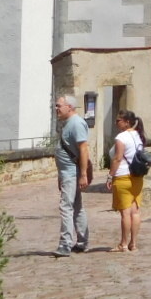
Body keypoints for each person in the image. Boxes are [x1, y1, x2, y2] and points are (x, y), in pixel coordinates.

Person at [52, 95, 93, 256]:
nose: (56, 109)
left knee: (66, 207)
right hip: (67, 173)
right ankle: (82, 242)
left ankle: (65, 244)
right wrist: (60, 175)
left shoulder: (76, 123)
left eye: (59, 106)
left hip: (71, 173)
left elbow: (83, 149)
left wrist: (83, 174)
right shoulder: (69, 123)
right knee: (76, 207)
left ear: (69, 107)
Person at [107, 109, 145, 252]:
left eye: (118, 120)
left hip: (123, 176)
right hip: (137, 176)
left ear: (127, 122)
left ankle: (123, 244)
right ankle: (133, 244)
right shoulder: (138, 135)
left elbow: (117, 158)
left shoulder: (121, 137)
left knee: (125, 213)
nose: (116, 123)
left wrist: (110, 175)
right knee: (135, 212)